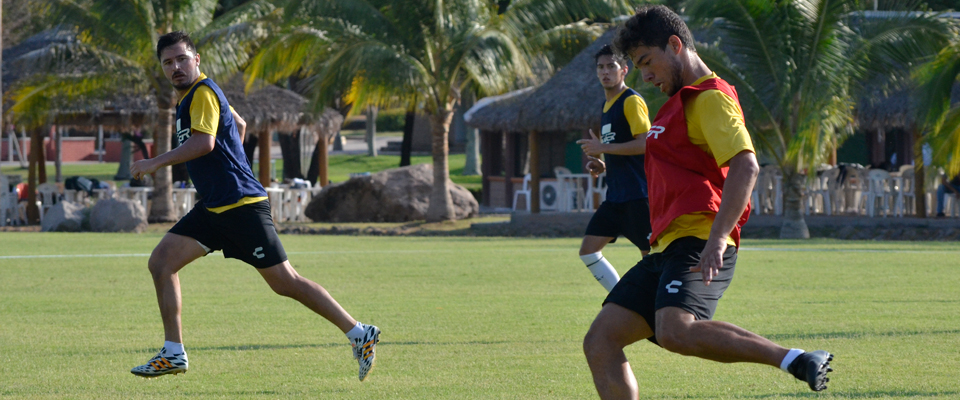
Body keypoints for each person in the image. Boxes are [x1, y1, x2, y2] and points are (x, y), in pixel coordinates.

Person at [581, 6, 833, 398]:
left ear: (676, 45)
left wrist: (717, 239)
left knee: (675, 330)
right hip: (664, 247)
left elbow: (746, 168)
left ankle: (797, 359)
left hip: (698, 240)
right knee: (600, 340)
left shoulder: (711, 98)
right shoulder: (675, 104)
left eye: (648, 62)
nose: (644, 75)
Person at [129, 31, 379, 381]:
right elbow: (240, 124)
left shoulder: (201, 93)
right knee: (162, 262)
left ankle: (359, 333)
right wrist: (232, 160)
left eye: (182, 59)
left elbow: (203, 143)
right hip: (216, 207)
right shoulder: (194, 97)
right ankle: (173, 353)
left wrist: (155, 162)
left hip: (241, 206)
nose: (176, 67)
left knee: (284, 282)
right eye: (168, 63)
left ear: (196, 59)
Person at [575, 44, 652, 292]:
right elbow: (624, 154)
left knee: (651, 258)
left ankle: (662, 314)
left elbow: (646, 144)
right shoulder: (606, 106)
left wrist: (603, 149)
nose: (605, 72)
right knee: (588, 251)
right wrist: (604, 165)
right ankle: (622, 301)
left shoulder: (631, 101)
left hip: (640, 197)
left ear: (624, 70)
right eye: (600, 67)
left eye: (611, 66)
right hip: (616, 198)